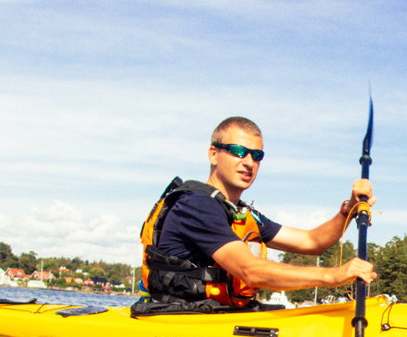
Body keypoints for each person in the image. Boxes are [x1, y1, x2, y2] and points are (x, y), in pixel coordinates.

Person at [137, 116, 376, 312]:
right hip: (184, 318)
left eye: (257, 155)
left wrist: (348, 211)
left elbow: (312, 242)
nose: (249, 162)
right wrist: (334, 275)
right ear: (213, 154)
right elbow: (250, 271)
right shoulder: (197, 205)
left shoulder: (242, 213)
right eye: (238, 151)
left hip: (222, 313)